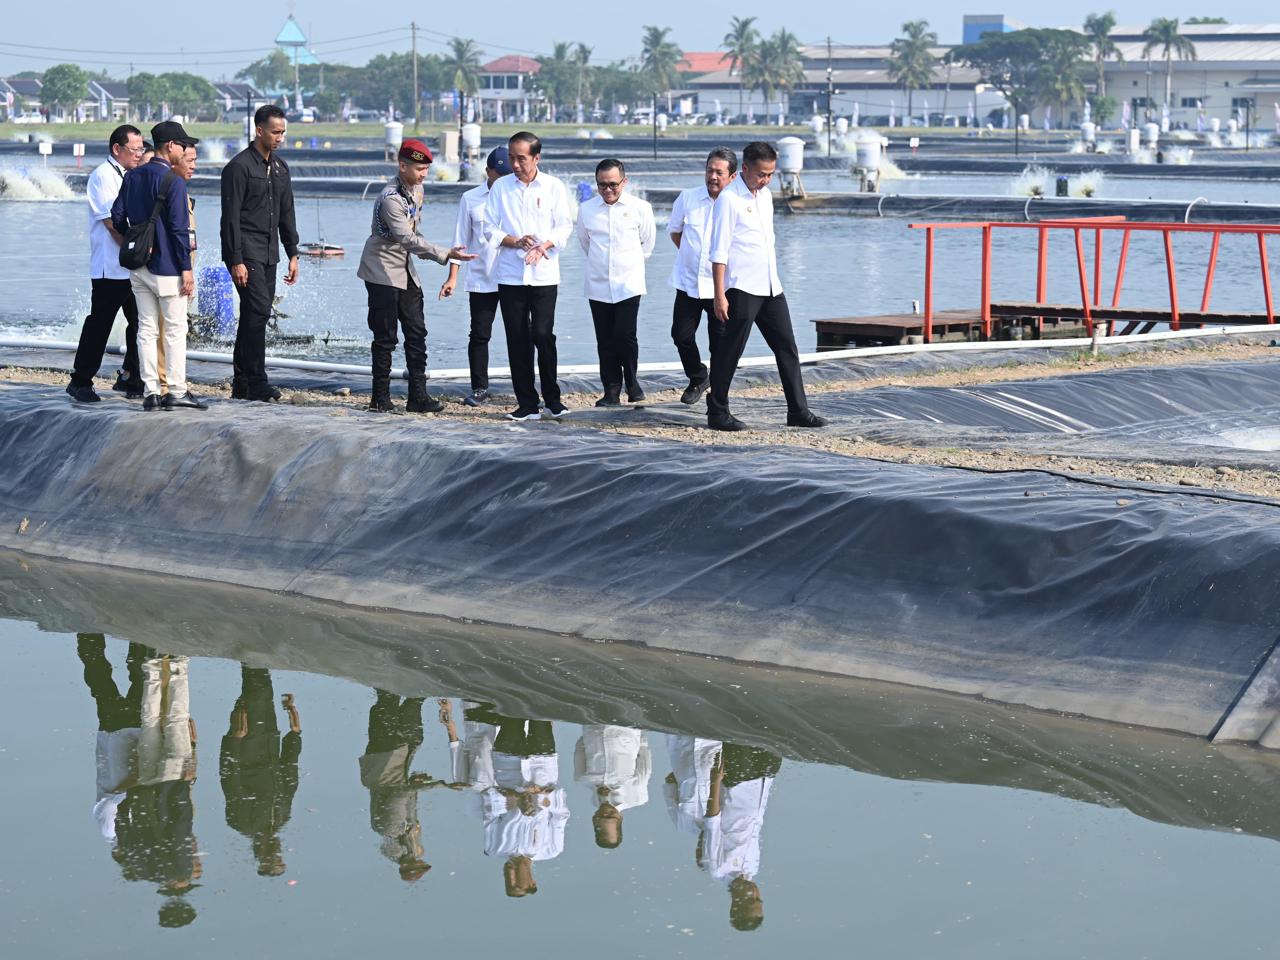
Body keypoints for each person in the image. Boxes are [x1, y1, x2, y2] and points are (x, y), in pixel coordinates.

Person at [707, 141, 826, 431]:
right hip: (741, 287)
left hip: (771, 286)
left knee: (787, 347)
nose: (766, 179)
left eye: (771, 174)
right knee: (730, 350)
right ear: (745, 168)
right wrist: (719, 295)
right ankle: (717, 411)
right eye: (762, 174)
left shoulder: (766, 197)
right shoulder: (729, 199)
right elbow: (718, 251)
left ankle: (798, 410)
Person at [357, 138, 474, 414]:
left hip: (405, 266)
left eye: (426, 169)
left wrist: (439, 254)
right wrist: (444, 254)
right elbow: (407, 238)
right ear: (402, 166)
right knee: (385, 335)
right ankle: (380, 398)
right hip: (381, 267)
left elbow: (414, 234)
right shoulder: (390, 199)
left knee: (416, 331)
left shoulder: (417, 191)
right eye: (419, 169)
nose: (424, 174)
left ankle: (417, 396)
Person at [111, 119, 205, 411]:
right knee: (176, 329)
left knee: (146, 329)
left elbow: (117, 216)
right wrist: (186, 270)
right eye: (183, 145)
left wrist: (137, 237)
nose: (186, 150)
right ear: (171, 146)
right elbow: (179, 230)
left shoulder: (132, 177)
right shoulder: (173, 181)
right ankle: (176, 390)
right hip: (168, 268)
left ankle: (151, 392)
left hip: (139, 268)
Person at [483, 131, 574, 422]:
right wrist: (514, 240)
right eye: (512, 157)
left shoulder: (553, 187)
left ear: (536, 158)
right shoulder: (501, 188)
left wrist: (544, 245)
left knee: (543, 335)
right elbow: (489, 228)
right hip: (510, 275)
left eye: (521, 158)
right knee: (517, 338)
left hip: (544, 274)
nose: (515, 163)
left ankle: (553, 400)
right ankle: (526, 403)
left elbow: (564, 227)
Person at [219, 104, 300, 403]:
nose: (280, 137)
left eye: (283, 132)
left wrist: (293, 251)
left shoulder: (280, 168)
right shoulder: (239, 167)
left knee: (255, 316)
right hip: (245, 251)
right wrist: (235, 259)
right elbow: (229, 218)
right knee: (259, 311)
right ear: (259, 130)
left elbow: (286, 212)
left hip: (270, 252)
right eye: (276, 132)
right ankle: (256, 380)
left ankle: (242, 382)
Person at [67, 124, 145, 403]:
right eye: (135, 149)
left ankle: (131, 377)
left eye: (142, 148)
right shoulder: (103, 176)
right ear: (117, 149)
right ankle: (80, 380)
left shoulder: (130, 174)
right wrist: (138, 250)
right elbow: (113, 223)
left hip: (131, 267)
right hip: (110, 267)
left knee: (140, 324)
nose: (139, 154)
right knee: (100, 324)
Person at [576, 158, 656, 406]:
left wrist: (627, 265)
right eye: (602, 185)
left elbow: (647, 245)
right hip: (598, 284)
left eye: (613, 185)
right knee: (605, 340)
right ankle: (611, 390)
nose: (607, 190)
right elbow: (585, 243)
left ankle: (631, 381)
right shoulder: (587, 209)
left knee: (625, 335)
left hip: (628, 283)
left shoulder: (640, 208)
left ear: (624, 182)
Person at [439, 146, 511, 407]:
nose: (504, 178)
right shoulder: (471, 199)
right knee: (480, 334)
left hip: (513, 276)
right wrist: (452, 278)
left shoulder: (516, 195)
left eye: (509, 173)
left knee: (521, 334)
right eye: (499, 173)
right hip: (482, 277)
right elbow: (461, 241)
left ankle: (526, 388)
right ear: (488, 171)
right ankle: (479, 388)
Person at [668, 147, 737, 406]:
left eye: (719, 172)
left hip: (722, 288)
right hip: (688, 283)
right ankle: (698, 376)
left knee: (719, 344)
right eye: (709, 170)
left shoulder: (736, 204)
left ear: (731, 176)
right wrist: (691, 255)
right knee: (681, 335)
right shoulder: (687, 198)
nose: (713, 176)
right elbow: (676, 232)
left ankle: (718, 396)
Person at [359, 690, 452, 882]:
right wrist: (418, 781)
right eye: (420, 861)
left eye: (416, 862)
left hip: (385, 755)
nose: (418, 856)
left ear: (404, 863)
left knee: (389, 698)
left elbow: (399, 795)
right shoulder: (406, 831)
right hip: (399, 754)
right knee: (414, 701)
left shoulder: (390, 829)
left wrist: (438, 785)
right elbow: (407, 796)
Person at [219, 666, 301, 877]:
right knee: (263, 689)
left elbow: (230, 780)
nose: (276, 853)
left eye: (270, 858)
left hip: (246, 742)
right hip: (269, 738)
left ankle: (251, 647)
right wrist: (294, 735)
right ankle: (253, 649)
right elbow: (290, 776)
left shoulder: (240, 822)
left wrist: (234, 741)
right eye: (278, 858)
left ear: (259, 855)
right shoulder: (281, 818)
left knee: (257, 691)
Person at [699, 743, 781, 932]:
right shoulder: (753, 868)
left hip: (736, 784)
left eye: (750, 899)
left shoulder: (718, 869)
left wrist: (716, 781)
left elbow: (712, 822)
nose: (755, 892)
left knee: (740, 733)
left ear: (735, 904)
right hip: (762, 783)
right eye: (758, 898)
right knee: (775, 738)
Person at [573, 724, 651, 849]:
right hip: (625, 727)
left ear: (594, 818)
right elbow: (643, 756)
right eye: (610, 816)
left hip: (594, 726)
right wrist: (636, 730)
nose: (605, 812)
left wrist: (591, 733)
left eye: (601, 816)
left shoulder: (583, 780)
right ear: (620, 818)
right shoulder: (637, 796)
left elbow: (580, 749)